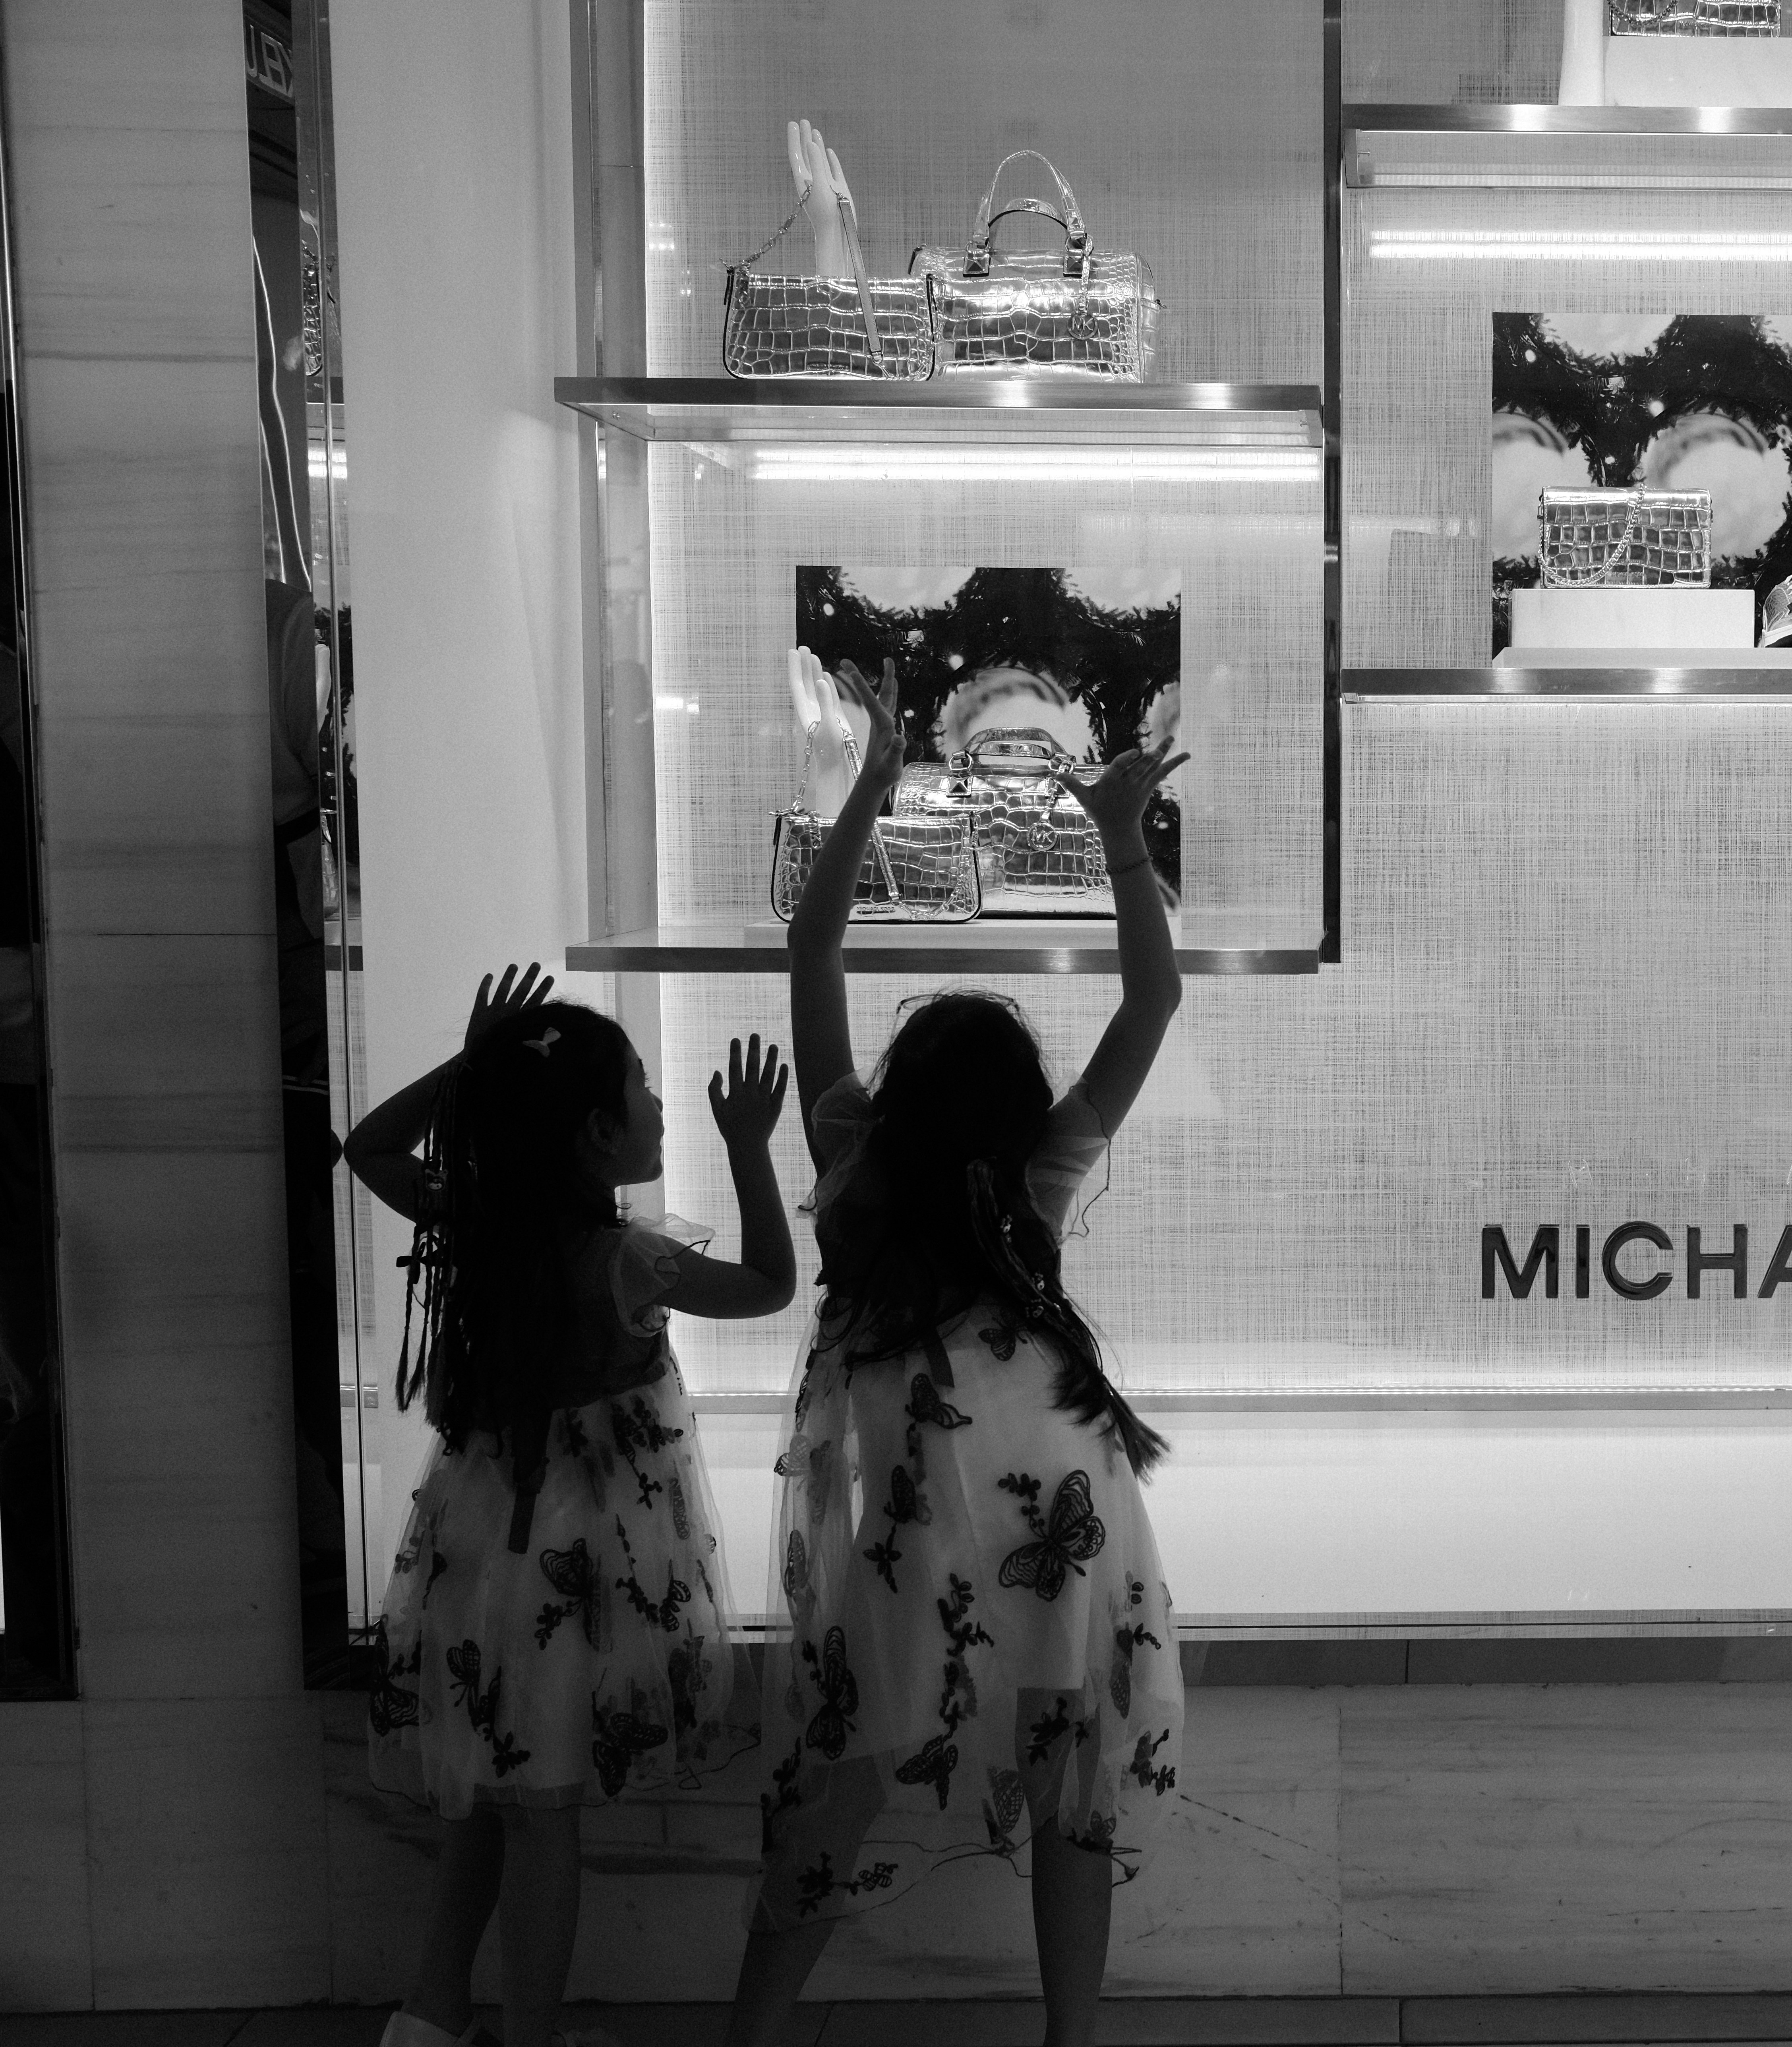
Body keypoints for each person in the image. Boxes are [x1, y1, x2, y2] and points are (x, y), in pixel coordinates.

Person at [726, 665, 1186, 2047]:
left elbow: (811, 962)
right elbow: (1151, 1003)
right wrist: (1118, 838)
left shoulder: (856, 1168)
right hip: (1067, 1514)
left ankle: (745, 2036)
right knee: (1070, 1781)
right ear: (1017, 1105)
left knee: (839, 1783)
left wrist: (865, 795)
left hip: (916, 1531)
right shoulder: (1032, 1176)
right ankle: (1071, 2039)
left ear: (906, 1092)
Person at [346, 967, 795, 2047]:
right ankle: (526, 2035)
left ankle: (432, 2012)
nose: (655, 1098)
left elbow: (365, 1150)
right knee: (542, 1815)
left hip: (476, 1554)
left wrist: (477, 1066)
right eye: (640, 1085)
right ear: (599, 1133)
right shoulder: (627, 1259)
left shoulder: (479, 1220)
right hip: (575, 1569)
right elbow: (772, 1284)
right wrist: (747, 1147)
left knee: (493, 1803)